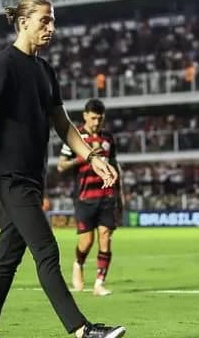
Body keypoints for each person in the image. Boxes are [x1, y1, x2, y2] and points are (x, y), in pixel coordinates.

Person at [0, 0, 126, 338]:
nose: (52, 27)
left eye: (53, 20)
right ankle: (82, 330)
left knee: (7, 257)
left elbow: (63, 124)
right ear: (23, 23)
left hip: (33, 176)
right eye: (44, 20)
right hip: (9, 175)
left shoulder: (45, 71)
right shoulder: (1, 66)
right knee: (46, 249)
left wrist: (93, 158)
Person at [57, 99, 123, 296]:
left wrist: (120, 196)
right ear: (85, 116)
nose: (96, 122)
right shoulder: (75, 136)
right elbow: (61, 165)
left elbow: (114, 164)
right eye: (93, 118)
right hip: (85, 196)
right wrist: (84, 157)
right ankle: (78, 263)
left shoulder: (108, 138)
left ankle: (99, 283)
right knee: (86, 241)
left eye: (100, 118)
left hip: (107, 195)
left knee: (105, 236)